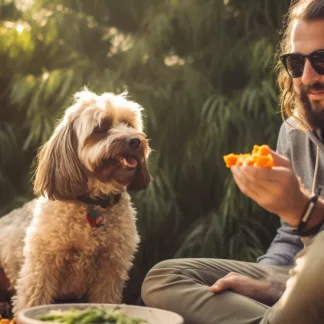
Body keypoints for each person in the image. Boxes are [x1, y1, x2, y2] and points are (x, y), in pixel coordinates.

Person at [141, 0, 324, 323]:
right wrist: (266, 281)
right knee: (165, 279)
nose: (307, 76)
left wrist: (304, 210)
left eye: (322, 60)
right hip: (296, 275)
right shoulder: (294, 132)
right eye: (296, 63)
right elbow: (290, 237)